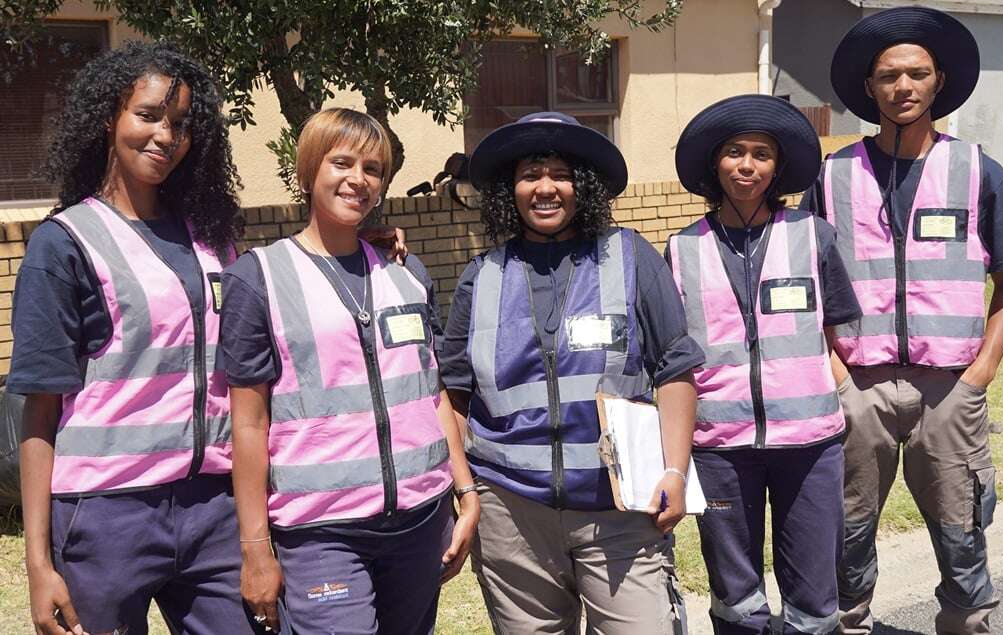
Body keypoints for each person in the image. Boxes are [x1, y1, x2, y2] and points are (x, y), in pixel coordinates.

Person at [11, 42, 260, 634]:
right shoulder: (65, 244)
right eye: (148, 115)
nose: (165, 136)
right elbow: (39, 411)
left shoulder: (214, 239)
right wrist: (39, 562)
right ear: (108, 118)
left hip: (215, 509)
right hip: (105, 517)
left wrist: (359, 244)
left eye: (181, 124)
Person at [801, 6, 1003, 634]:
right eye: (888, 76)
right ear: (868, 88)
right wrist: (835, 369)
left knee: (962, 528)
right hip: (857, 386)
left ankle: (966, 624)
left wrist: (981, 373)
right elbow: (805, 281)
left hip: (950, 386)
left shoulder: (980, 170)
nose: (903, 87)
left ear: (938, 83)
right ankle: (849, 623)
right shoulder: (831, 175)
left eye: (917, 74)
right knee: (846, 527)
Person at [440, 111, 704, 633]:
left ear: (581, 184)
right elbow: (452, 394)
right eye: (530, 175)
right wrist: (468, 491)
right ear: (509, 190)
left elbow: (675, 368)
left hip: (619, 510)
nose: (545, 188)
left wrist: (674, 470)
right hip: (511, 514)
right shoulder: (481, 276)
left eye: (559, 174)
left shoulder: (630, 256)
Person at [220, 107, 479, 634]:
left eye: (373, 169)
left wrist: (465, 492)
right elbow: (248, 425)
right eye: (342, 162)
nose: (358, 180)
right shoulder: (259, 279)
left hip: (420, 520)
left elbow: (432, 395)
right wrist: (255, 548)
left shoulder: (407, 276)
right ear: (310, 168)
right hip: (322, 532)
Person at [666, 94, 861, 634]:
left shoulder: (813, 235)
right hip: (720, 448)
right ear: (715, 164)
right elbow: (672, 351)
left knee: (814, 591)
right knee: (734, 590)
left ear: (778, 168)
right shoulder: (681, 248)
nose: (746, 165)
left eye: (761, 154)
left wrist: (833, 397)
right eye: (734, 152)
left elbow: (838, 331)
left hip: (810, 445)